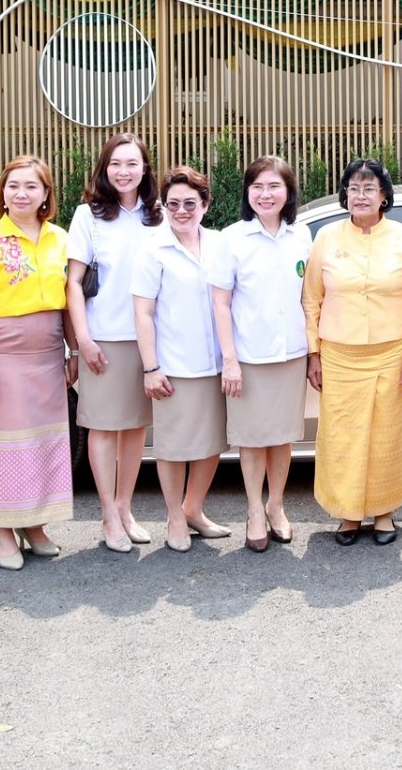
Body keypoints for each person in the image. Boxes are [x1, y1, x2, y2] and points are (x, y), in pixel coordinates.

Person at [303, 158, 402, 546]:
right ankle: (347, 516)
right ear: (345, 194)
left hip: (392, 355)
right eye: (353, 188)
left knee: (386, 436)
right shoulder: (326, 237)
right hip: (339, 356)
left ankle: (385, 513)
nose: (360, 195)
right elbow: (311, 300)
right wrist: (314, 354)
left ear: (384, 196)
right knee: (343, 436)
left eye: (369, 189)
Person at [0, 156, 76, 571]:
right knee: (6, 446)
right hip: (2, 356)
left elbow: (70, 304)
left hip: (48, 355)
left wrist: (74, 352)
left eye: (31, 186)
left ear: (46, 193)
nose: (21, 193)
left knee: (45, 444)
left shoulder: (60, 239)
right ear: (2, 193)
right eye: (13, 186)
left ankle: (35, 526)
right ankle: (2, 532)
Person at [210, 156, 312, 553]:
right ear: (247, 192)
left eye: (274, 187)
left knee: (282, 437)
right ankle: (254, 509)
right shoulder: (231, 239)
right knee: (252, 439)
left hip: (291, 354)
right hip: (249, 357)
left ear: (288, 193)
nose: (265, 195)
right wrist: (230, 360)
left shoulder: (301, 237)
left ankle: (277, 506)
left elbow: (309, 298)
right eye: (257, 187)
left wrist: (313, 354)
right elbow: (220, 304)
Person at [66, 133, 162, 553]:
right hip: (102, 337)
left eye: (132, 163)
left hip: (147, 340)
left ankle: (125, 508)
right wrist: (82, 339)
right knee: (103, 429)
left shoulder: (157, 214)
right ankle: (107, 514)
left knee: (135, 428)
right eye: (115, 164)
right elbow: (72, 282)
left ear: (145, 168)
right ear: (104, 169)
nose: (124, 171)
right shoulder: (88, 215)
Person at [132, 166, 228, 552]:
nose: (181, 210)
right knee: (172, 447)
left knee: (210, 444)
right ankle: (174, 515)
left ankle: (194, 509)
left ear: (205, 205)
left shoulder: (221, 244)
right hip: (172, 365)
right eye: (173, 204)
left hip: (216, 362)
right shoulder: (152, 249)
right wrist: (151, 367)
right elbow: (143, 313)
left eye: (190, 203)